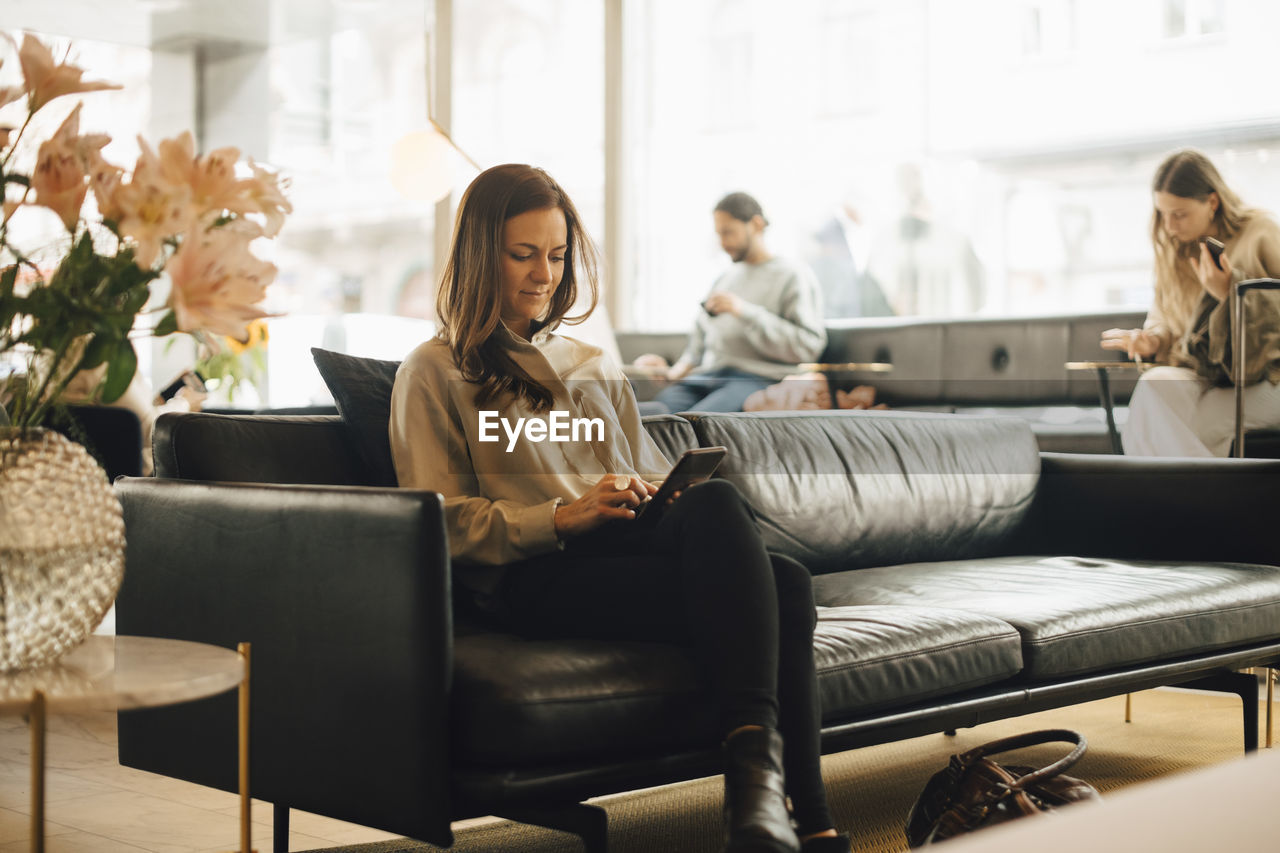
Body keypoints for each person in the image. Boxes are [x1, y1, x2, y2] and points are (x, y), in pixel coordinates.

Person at [389, 164, 850, 853]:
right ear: (483, 254)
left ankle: (773, 809)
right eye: (523, 254)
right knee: (782, 585)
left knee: (737, 524)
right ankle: (791, 811)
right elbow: (439, 522)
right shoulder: (432, 370)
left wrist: (657, 495)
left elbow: (637, 469)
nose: (544, 274)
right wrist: (560, 517)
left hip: (620, 550)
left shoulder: (593, 363)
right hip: (531, 576)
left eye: (556, 254)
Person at [1101, 149, 1280, 456]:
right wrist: (1152, 340)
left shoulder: (1261, 234)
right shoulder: (1173, 252)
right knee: (1153, 385)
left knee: (1182, 423)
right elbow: (1163, 320)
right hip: (1202, 375)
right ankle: (1192, 497)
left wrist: (1228, 293)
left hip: (1267, 378)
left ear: (1212, 202)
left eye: (1179, 214)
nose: (1169, 226)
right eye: (1162, 214)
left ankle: (1178, 500)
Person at [634, 192, 826, 413]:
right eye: (719, 234)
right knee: (650, 415)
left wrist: (745, 312)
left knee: (693, 423)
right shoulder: (725, 279)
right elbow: (698, 343)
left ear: (756, 224)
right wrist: (675, 370)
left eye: (728, 233)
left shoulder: (792, 275)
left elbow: (808, 346)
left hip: (754, 378)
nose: (723, 243)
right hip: (708, 376)